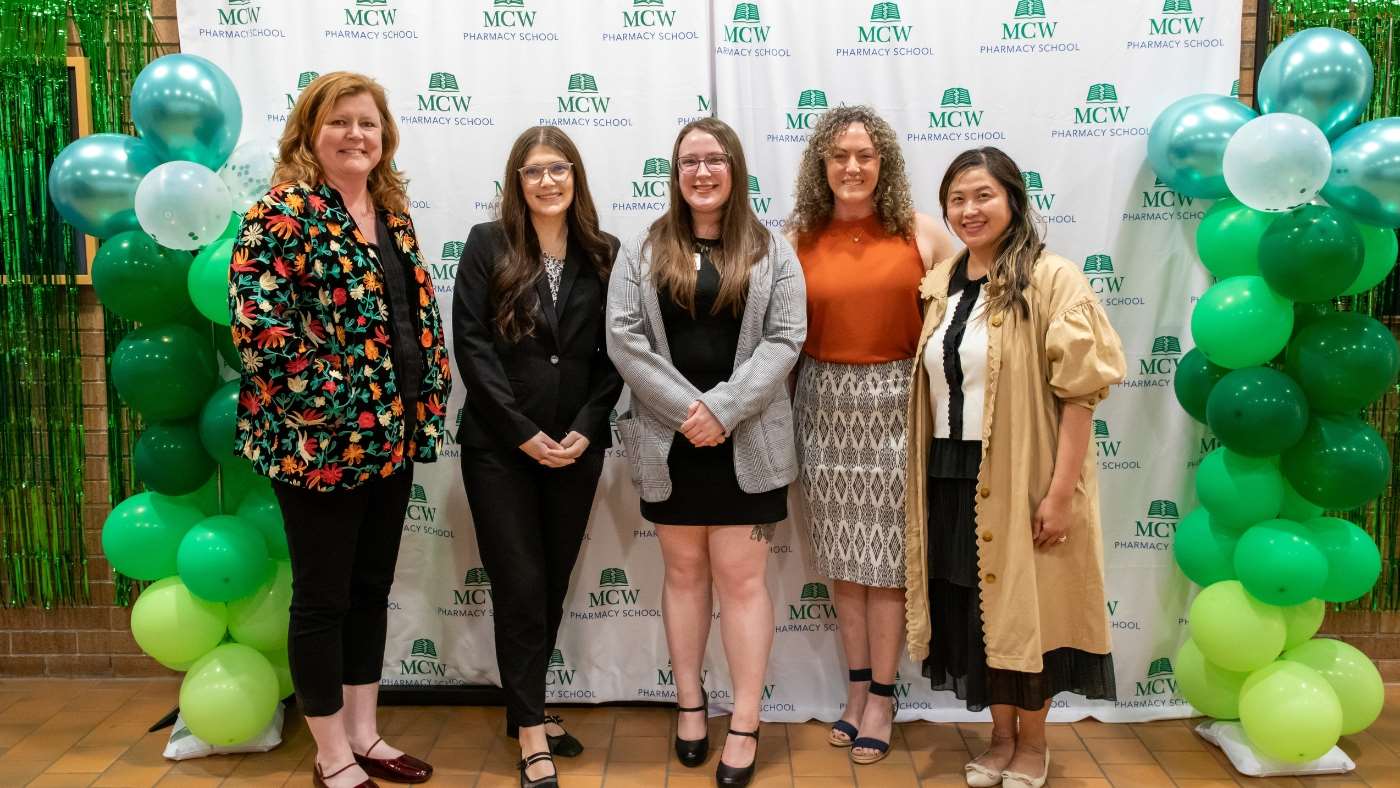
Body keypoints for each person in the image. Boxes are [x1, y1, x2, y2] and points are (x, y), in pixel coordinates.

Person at [230, 71, 452, 788]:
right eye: (340, 121)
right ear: (309, 132)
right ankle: (330, 753)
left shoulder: (391, 214)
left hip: (392, 437)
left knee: (370, 589)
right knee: (323, 597)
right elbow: (262, 332)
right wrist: (341, 406)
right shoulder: (281, 214)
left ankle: (365, 734)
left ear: (385, 137)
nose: (356, 134)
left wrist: (425, 394)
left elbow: (413, 316)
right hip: (318, 446)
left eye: (368, 123)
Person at [903, 147, 1125, 788]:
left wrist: (1060, 493)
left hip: (1021, 471)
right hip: (950, 470)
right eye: (957, 199)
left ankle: (1033, 744)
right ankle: (999, 739)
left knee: (1028, 612)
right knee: (978, 612)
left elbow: (1080, 394)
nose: (969, 210)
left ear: (1013, 201)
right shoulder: (943, 282)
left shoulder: (1053, 279)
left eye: (983, 196)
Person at [605, 117, 805, 788]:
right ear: (675, 173)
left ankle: (744, 722)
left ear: (735, 168)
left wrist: (721, 410)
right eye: (689, 161)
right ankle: (690, 705)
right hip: (672, 445)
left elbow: (785, 338)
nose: (701, 172)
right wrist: (688, 413)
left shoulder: (773, 250)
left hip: (749, 441)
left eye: (714, 159)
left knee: (743, 583)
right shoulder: (643, 248)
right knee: (684, 577)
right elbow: (624, 339)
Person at [451, 126, 621, 788]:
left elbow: (618, 352)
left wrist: (587, 426)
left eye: (558, 169)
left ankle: (527, 706)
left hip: (576, 448)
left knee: (549, 584)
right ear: (516, 182)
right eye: (533, 171)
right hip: (500, 449)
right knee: (519, 585)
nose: (547, 181)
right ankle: (528, 731)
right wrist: (520, 430)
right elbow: (471, 344)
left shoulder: (604, 253)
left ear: (575, 176)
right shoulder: (487, 244)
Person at [786, 105, 956, 765]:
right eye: (839, 156)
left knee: (885, 565)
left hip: (897, 407)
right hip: (822, 407)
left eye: (865, 155)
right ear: (821, 165)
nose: (852, 167)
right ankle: (856, 691)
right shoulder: (795, 238)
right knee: (842, 563)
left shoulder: (923, 232)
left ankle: (883, 697)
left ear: (884, 163)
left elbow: (969, 321)